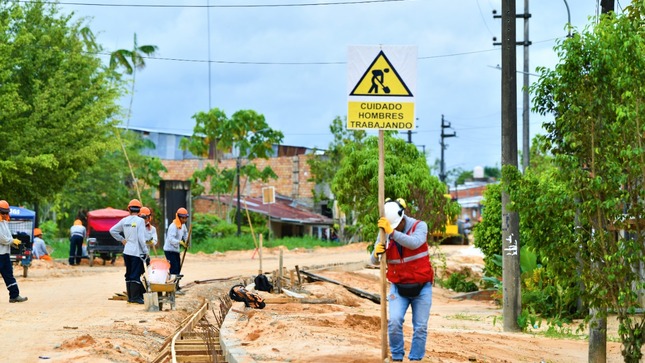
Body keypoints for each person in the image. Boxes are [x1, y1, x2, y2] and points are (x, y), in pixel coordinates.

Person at [370, 199, 432, 362]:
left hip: (422, 287)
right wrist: (376, 254)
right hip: (398, 286)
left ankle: (415, 359)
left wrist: (392, 232)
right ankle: (397, 357)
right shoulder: (384, 232)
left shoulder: (419, 226)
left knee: (420, 327)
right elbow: (374, 260)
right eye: (392, 227)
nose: (394, 229)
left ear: (402, 218)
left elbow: (414, 243)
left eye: (396, 226)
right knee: (395, 322)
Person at [110, 199, 148, 304]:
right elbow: (141, 238)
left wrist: (122, 239)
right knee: (135, 274)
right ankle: (135, 297)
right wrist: (145, 250)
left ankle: (131, 297)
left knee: (129, 273)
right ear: (139, 210)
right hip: (136, 252)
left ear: (128, 209)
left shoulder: (124, 220)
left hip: (127, 251)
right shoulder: (140, 221)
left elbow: (112, 230)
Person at [0, 200, 27, 303]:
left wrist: (14, 243)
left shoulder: (5, 222)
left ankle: (14, 295)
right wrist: (11, 241)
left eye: (6, 212)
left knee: (9, 275)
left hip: (4, 253)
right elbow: (2, 238)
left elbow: (8, 236)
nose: (5, 214)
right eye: (3, 212)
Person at [164, 207, 189, 294]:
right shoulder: (173, 226)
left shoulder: (183, 226)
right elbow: (171, 239)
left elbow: (186, 233)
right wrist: (180, 242)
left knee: (177, 268)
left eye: (186, 218)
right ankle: (172, 287)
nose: (184, 220)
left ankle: (176, 286)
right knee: (173, 268)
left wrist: (186, 241)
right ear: (179, 217)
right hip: (169, 250)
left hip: (176, 250)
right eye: (183, 218)